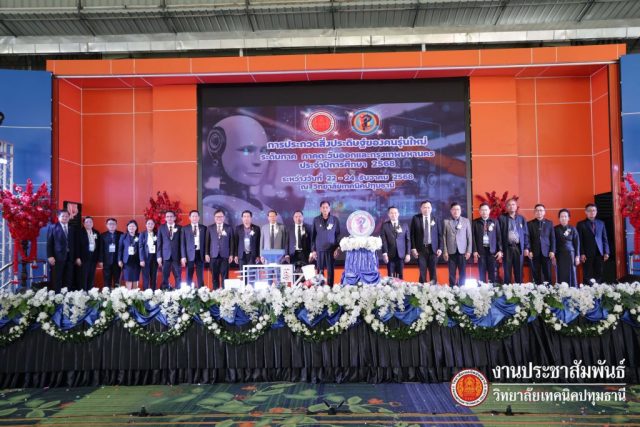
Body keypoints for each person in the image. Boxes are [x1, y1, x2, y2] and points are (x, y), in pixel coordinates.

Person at [201, 115, 273, 224]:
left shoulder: (265, 210)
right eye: (247, 150)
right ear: (218, 152)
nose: (258, 161)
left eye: (264, 151)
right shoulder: (211, 207)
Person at [46, 210, 80, 292]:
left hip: (70, 257)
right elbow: (49, 243)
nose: (65, 217)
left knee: (69, 278)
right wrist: (50, 256)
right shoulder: (53, 227)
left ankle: (67, 295)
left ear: (69, 217)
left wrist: (77, 257)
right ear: (58, 217)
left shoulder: (72, 228)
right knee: (57, 278)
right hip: (57, 257)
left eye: (67, 216)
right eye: (63, 216)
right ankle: (57, 296)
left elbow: (76, 244)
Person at [410, 200, 442, 284]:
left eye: (428, 207)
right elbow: (412, 235)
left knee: (433, 272)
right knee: (422, 272)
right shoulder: (416, 218)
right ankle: (422, 289)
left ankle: (433, 289)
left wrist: (440, 248)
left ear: (431, 208)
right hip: (420, 250)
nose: (426, 209)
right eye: (424, 207)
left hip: (433, 249)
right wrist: (413, 248)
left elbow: (440, 235)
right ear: (421, 209)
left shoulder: (436, 219)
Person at [498, 198, 530, 284]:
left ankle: (519, 289)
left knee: (519, 270)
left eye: (513, 205)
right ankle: (507, 288)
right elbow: (499, 235)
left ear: (516, 207)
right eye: (509, 205)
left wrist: (526, 247)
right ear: (506, 207)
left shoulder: (521, 218)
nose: (511, 206)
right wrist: (500, 249)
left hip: (518, 247)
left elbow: (526, 234)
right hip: (507, 248)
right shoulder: (501, 218)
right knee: (507, 271)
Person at [310, 201, 341, 286]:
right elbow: (313, 236)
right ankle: (321, 288)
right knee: (320, 271)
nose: (325, 209)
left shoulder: (334, 220)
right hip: (319, 249)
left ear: (329, 209)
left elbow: (338, 235)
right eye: (323, 207)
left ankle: (330, 288)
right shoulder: (316, 220)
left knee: (330, 270)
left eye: (327, 207)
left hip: (331, 249)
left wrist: (337, 248)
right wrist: (313, 250)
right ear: (320, 209)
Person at [577, 203, 610, 284]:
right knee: (587, 274)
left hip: (599, 252)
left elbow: (604, 239)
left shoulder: (601, 223)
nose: (592, 212)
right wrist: (582, 253)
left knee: (599, 273)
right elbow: (579, 241)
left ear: (596, 212)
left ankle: (598, 289)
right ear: (586, 212)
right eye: (590, 211)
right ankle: (588, 290)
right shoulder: (581, 224)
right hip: (587, 254)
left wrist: (606, 252)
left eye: (594, 210)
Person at [442, 202, 472, 286]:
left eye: (458, 209)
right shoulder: (446, 222)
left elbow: (469, 236)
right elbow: (443, 237)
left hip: (462, 251)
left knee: (463, 272)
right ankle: (452, 289)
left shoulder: (466, 221)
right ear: (451, 211)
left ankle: (462, 288)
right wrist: (445, 251)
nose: (456, 211)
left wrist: (469, 251)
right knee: (451, 273)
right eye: (454, 209)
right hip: (451, 252)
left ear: (460, 211)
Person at [472, 203, 502, 283]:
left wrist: (500, 250)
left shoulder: (495, 221)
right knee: (481, 273)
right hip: (481, 251)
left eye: (486, 210)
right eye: (482, 210)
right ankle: (483, 289)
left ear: (489, 211)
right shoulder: (475, 222)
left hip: (492, 251)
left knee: (492, 274)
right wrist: (475, 250)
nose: (484, 212)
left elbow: (499, 237)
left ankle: (492, 289)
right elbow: (473, 238)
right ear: (479, 211)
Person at [205, 209, 234, 289]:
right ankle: (216, 293)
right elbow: (207, 242)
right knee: (214, 277)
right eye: (217, 217)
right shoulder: (210, 228)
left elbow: (232, 242)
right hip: (213, 255)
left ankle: (225, 294)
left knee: (225, 277)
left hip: (225, 256)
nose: (219, 218)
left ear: (224, 217)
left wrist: (231, 254)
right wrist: (206, 253)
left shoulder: (229, 228)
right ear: (214, 218)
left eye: (221, 216)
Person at [527, 204, 556, 284]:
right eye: (537, 210)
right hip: (534, 252)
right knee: (536, 273)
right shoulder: (529, 224)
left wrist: (552, 250)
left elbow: (552, 238)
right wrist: (529, 250)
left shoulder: (549, 223)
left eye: (541, 210)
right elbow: (528, 239)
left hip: (547, 252)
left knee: (547, 273)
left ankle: (548, 289)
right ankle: (537, 289)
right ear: (534, 212)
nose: (539, 212)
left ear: (544, 212)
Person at [380, 206, 411, 279]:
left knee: (400, 275)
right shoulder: (385, 225)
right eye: (391, 213)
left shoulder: (404, 225)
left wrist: (408, 254)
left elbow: (408, 240)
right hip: (390, 255)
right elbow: (383, 240)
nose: (393, 214)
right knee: (390, 276)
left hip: (401, 255)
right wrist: (385, 253)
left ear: (398, 214)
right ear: (388, 214)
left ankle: (400, 286)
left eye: (395, 213)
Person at [554, 209, 580, 287]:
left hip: (571, 254)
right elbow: (553, 243)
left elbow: (577, 243)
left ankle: (573, 289)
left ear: (569, 218)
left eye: (565, 216)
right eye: (561, 216)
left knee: (572, 272)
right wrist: (553, 256)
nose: (563, 218)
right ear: (559, 218)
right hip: (559, 255)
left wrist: (577, 256)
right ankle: (562, 290)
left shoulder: (572, 229)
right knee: (561, 273)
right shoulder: (555, 229)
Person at [181, 210, 207, 287]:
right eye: (193, 216)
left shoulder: (204, 228)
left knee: (200, 275)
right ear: (189, 217)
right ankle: (188, 291)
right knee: (189, 275)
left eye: (196, 216)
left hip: (200, 254)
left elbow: (206, 243)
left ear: (199, 217)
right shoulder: (185, 228)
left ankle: (201, 291)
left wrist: (206, 254)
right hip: (189, 254)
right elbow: (182, 243)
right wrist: (183, 256)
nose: (194, 218)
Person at [157, 211, 182, 289]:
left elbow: (182, 244)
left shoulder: (180, 228)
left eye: (171, 216)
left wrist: (183, 256)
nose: (169, 218)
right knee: (165, 276)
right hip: (165, 256)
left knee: (178, 276)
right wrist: (159, 256)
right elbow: (159, 243)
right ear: (165, 218)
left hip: (176, 256)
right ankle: (165, 292)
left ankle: (178, 292)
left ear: (174, 218)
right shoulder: (161, 228)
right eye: (167, 216)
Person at [78, 216, 101, 291]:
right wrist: (77, 257)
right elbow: (76, 246)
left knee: (91, 276)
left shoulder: (96, 232)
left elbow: (99, 246)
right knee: (83, 277)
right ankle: (83, 293)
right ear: (83, 223)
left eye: (90, 222)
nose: (89, 223)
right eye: (87, 222)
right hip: (83, 258)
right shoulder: (79, 232)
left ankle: (90, 292)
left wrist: (99, 259)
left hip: (93, 258)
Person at [99, 218, 123, 289]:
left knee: (117, 281)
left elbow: (123, 248)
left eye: (113, 224)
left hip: (117, 262)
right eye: (110, 224)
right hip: (106, 261)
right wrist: (101, 260)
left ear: (116, 225)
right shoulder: (103, 235)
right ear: (106, 225)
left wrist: (121, 260)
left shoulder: (121, 234)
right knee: (107, 280)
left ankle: (117, 294)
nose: (112, 225)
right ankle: (107, 294)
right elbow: (101, 249)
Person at [118, 220, 141, 289]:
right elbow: (120, 249)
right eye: (130, 226)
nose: (131, 227)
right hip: (127, 261)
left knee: (135, 279)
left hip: (137, 261)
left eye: (133, 226)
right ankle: (129, 294)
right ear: (127, 227)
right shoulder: (123, 236)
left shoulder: (139, 236)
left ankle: (135, 294)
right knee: (128, 279)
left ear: (136, 227)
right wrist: (119, 260)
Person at [138, 218, 159, 290]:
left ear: (154, 225)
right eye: (148, 223)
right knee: (145, 276)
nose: (150, 225)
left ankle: (153, 292)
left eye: (152, 224)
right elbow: (140, 247)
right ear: (146, 225)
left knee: (154, 276)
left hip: (154, 257)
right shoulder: (142, 234)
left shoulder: (157, 234)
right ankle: (146, 293)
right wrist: (141, 259)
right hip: (145, 258)